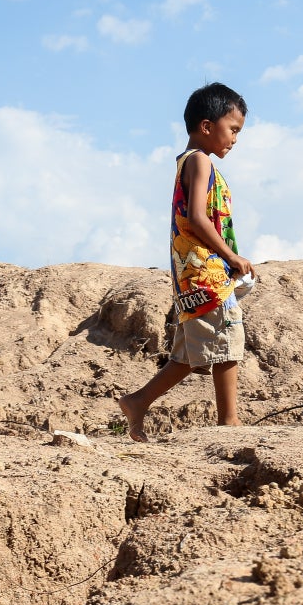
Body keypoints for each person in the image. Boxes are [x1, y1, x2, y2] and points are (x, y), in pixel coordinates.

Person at [118, 82, 256, 442]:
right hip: (206, 273)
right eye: (233, 129)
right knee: (226, 336)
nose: (235, 139)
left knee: (186, 354)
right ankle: (230, 421)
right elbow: (196, 217)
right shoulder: (199, 161)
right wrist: (231, 256)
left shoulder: (190, 162)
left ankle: (138, 401)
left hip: (192, 273)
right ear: (207, 126)